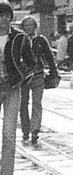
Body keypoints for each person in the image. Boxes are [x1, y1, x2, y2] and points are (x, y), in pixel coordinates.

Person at [0, 0, 38, 175]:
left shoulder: (19, 38)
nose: (3, 19)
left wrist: (23, 75)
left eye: (6, 15)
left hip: (13, 88)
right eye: (0, 16)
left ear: (11, 17)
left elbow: (31, 61)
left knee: (8, 134)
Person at [18, 16, 58, 146]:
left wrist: (54, 73)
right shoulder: (19, 40)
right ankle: (25, 129)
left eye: (31, 25)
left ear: (35, 27)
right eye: (26, 25)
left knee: (37, 103)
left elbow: (49, 57)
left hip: (38, 75)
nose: (28, 28)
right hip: (23, 77)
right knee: (23, 104)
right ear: (23, 27)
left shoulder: (41, 40)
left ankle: (35, 130)